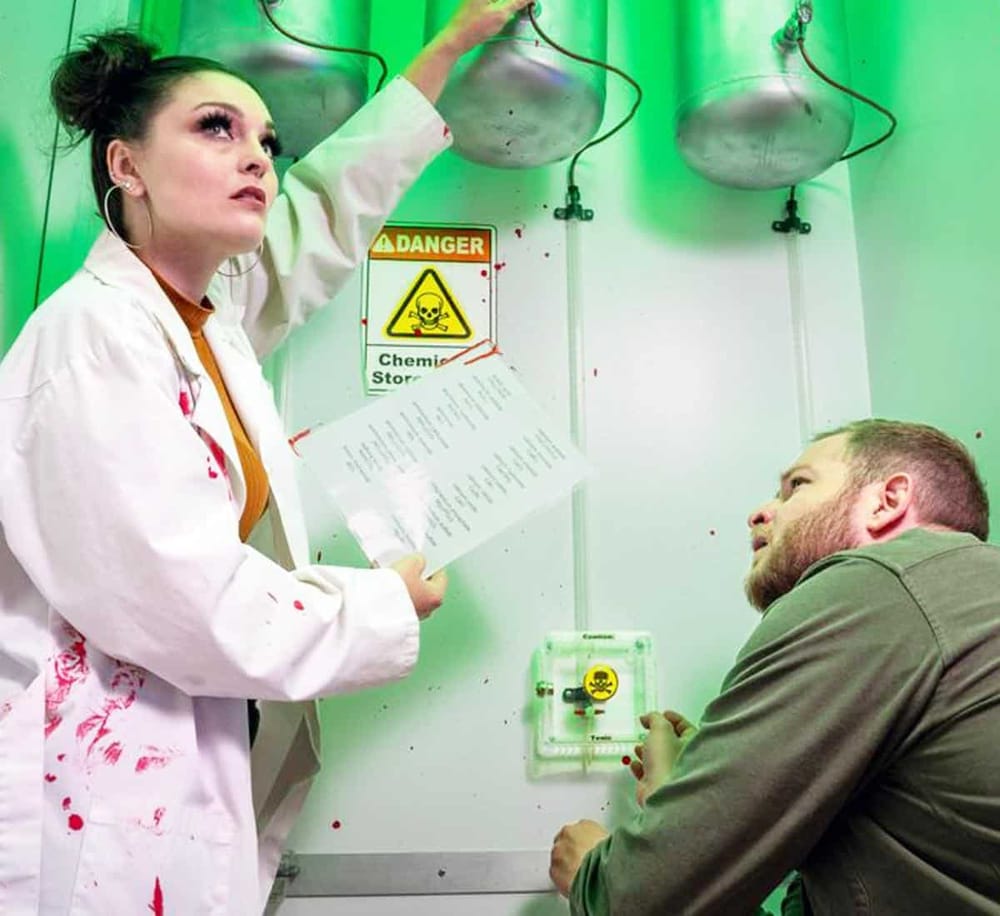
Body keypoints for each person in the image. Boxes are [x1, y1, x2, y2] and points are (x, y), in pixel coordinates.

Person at [0, 1, 533, 912]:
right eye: (217, 128)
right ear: (124, 166)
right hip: (98, 786)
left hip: (176, 765)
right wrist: (378, 603)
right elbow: (186, 599)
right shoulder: (97, 341)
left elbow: (325, 206)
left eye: (266, 139)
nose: (258, 155)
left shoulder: (204, 319)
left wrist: (449, 45)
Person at [550, 419, 1000, 914]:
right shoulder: (957, 601)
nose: (761, 513)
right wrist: (686, 788)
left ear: (887, 501)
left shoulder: (869, 584)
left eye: (796, 487)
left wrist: (591, 870)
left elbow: (639, 902)